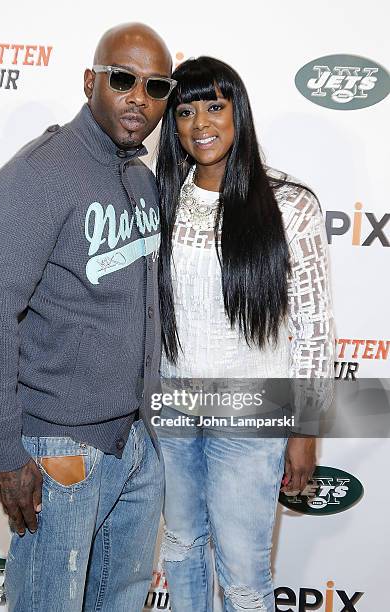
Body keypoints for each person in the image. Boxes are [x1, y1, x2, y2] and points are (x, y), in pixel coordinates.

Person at [0, 23, 175, 612]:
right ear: (90, 81)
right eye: (122, 79)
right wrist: (5, 450)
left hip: (135, 446)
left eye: (156, 87)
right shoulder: (40, 173)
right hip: (60, 450)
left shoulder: (142, 177)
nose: (138, 98)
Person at [155, 57, 335, 612]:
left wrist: (306, 430)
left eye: (214, 105)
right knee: (182, 548)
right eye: (184, 110)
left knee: (245, 577)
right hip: (174, 410)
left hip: (252, 417)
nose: (199, 123)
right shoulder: (160, 200)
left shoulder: (290, 204)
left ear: (239, 112)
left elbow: (314, 328)